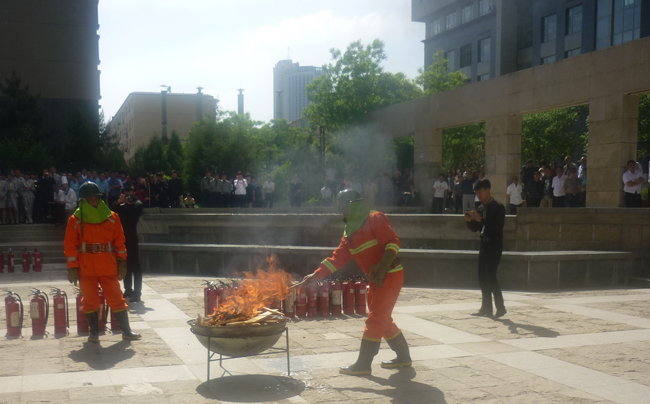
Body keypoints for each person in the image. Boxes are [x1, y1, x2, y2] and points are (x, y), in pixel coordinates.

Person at [302, 189, 411, 375]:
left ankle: (363, 364)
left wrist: (383, 266)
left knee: (376, 318)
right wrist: (316, 275)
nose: (340, 212)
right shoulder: (349, 233)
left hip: (390, 274)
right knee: (382, 317)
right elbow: (337, 259)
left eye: (343, 207)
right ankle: (403, 356)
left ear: (353, 205)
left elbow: (393, 243)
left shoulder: (375, 218)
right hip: (376, 278)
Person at [64, 182, 141, 342]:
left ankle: (126, 331)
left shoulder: (112, 217)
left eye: (97, 198)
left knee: (116, 298)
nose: (95, 202)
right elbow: (70, 245)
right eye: (91, 199)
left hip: (107, 264)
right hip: (86, 266)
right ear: (84, 200)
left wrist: (122, 262)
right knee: (90, 300)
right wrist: (72, 267)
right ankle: (94, 333)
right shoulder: (75, 220)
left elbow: (120, 242)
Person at [464, 178, 506, 318]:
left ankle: (500, 307)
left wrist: (481, 220)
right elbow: (477, 228)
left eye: (480, 191)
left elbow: (496, 228)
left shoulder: (498, 206)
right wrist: (470, 221)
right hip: (484, 244)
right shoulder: (481, 208)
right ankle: (486, 308)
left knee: (490, 276)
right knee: (482, 277)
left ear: (488, 190)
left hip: (494, 244)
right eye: (477, 192)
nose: (479, 195)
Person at [110, 184, 144, 302]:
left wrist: (128, 205)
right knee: (125, 265)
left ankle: (137, 292)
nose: (129, 196)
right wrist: (118, 203)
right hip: (122, 239)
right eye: (126, 194)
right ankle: (128, 289)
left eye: (130, 193)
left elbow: (133, 219)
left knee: (135, 266)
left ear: (133, 193)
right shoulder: (121, 205)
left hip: (132, 238)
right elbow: (111, 213)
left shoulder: (137, 204)